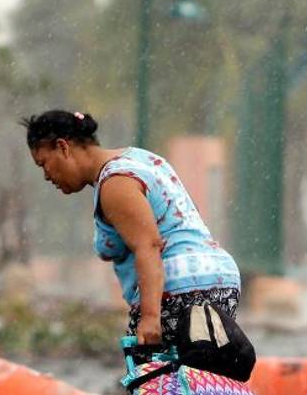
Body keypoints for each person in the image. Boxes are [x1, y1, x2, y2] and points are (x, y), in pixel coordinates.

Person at [22, 109, 241, 346]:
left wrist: (149, 318)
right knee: (203, 378)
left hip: (177, 289)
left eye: (43, 164)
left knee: (156, 380)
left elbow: (149, 244)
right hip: (221, 280)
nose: (46, 175)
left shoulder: (115, 183)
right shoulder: (141, 159)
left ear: (63, 147)